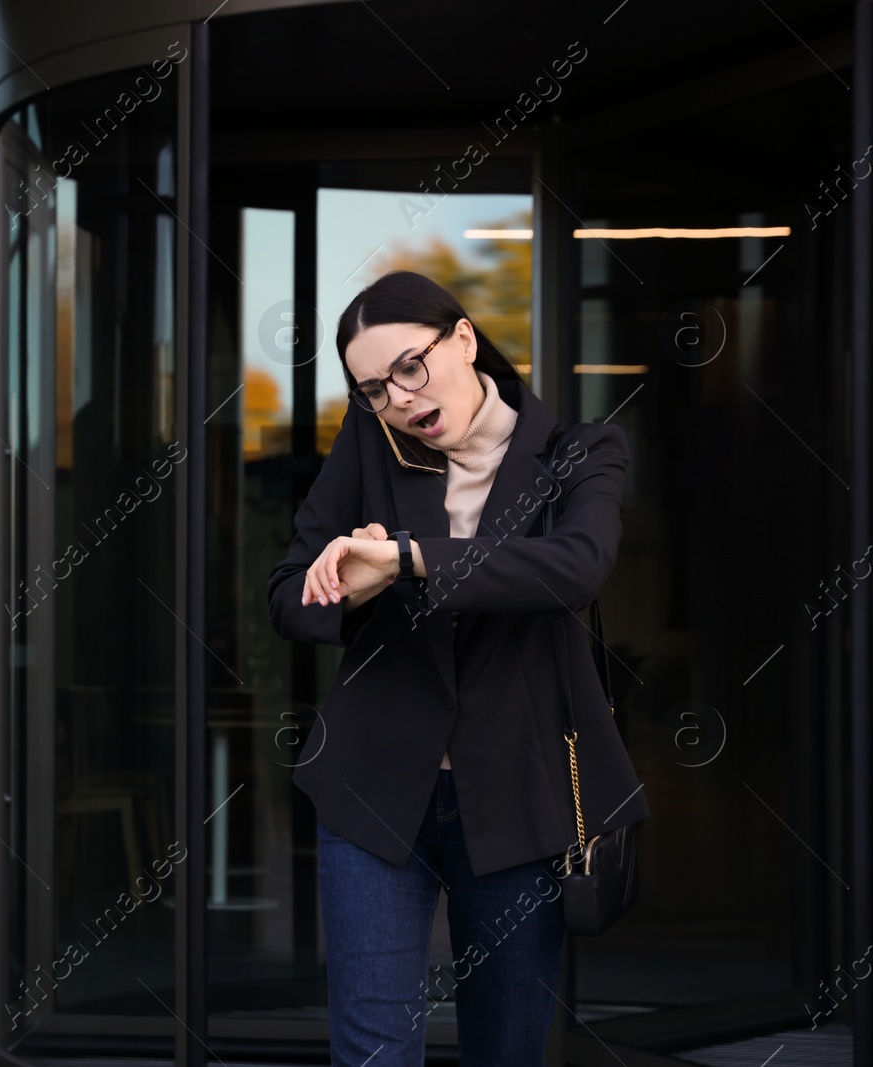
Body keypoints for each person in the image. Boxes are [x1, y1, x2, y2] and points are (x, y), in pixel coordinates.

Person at [265, 270, 649, 1066]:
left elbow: (572, 568)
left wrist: (407, 559)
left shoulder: (579, 450)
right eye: (372, 387)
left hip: (516, 803)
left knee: (505, 1051)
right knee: (372, 1053)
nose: (398, 398)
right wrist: (356, 587)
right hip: (373, 792)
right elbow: (287, 597)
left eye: (410, 366)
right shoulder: (367, 444)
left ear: (464, 339)